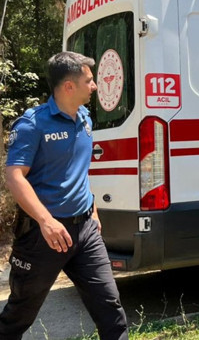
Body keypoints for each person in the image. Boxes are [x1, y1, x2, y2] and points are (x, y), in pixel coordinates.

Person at [1, 52, 128, 339]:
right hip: (43, 235)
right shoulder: (32, 124)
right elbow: (14, 176)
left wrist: (92, 209)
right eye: (89, 80)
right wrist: (46, 221)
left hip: (85, 231)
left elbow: (77, 169)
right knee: (19, 315)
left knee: (110, 308)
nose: (94, 86)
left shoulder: (84, 119)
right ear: (69, 86)